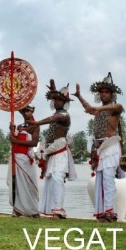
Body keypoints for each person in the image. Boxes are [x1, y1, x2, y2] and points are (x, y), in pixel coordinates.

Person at [72, 72, 124, 223]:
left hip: (111, 146)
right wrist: (79, 96)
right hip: (98, 148)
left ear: (112, 94)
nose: (103, 94)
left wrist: (98, 108)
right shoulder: (98, 110)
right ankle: (103, 212)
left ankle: (109, 212)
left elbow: (119, 106)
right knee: (100, 180)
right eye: (101, 92)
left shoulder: (115, 109)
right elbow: (89, 108)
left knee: (108, 179)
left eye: (106, 92)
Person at [28, 80, 77, 219]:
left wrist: (37, 122)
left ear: (65, 102)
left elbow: (55, 118)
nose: (56, 102)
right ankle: (51, 210)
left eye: (59, 100)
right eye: (54, 100)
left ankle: (59, 209)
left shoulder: (64, 115)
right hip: (51, 151)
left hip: (60, 150)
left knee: (57, 178)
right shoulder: (57, 113)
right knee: (51, 180)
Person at [8, 104, 40, 218]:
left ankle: (33, 210)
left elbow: (34, 142)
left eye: (28, 111)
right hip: (15, 156)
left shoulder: (35, 125)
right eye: (23, 111)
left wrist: (16, 141)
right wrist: (12, 131)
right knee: (16, 183)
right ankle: (18, 209)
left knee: (29, 184)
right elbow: (12, 140)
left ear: (32, 111)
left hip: (26, 158)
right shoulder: (20, 126)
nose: (26, 113)